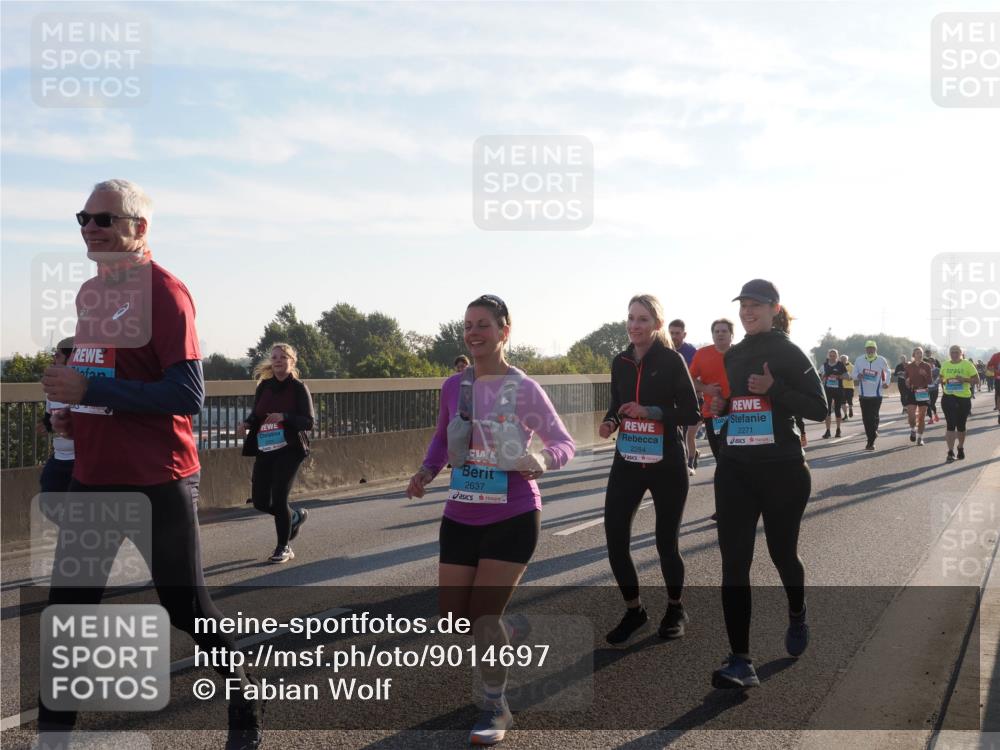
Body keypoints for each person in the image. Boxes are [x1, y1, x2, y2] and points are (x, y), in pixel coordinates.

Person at [39, 179, 265, 749]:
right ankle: (52, 740)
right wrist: (71, 413)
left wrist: (92, 386)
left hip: (157, 484)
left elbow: (186, 395)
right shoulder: (91, 294)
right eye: (84, 218)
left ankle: (243, 703)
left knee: (186, 608)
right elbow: (105, 383)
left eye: (104, 219)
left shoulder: (166, 294)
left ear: (138, 229)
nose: (91, 228)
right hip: (91, 481)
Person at [405, 294, 575, 745]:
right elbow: (442, 439)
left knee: (482, 617)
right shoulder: (453, 387)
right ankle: (506, 628)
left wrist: (540, 458)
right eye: (468, 325)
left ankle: (495, 703)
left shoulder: (523, 389)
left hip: (513, 513)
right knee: (453, 618)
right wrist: (426, 470)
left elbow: (564, 443)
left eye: (483, 324)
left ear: (504, 331)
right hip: (460, 512)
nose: (474, 332)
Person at [708, 280, 827, 689]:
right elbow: (741, 403)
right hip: (736, 468)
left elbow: (819, 408)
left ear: (775, 309)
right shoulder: (736, 354)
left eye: (755, 306)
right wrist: (722, 408)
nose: (746, 312)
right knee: (734, 563)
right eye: (743, 305)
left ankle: (797, 611)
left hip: (783, 469)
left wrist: (776, 389)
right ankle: (740, 660)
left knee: (782, 554)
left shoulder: (789, 352)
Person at [599, 296, 700, 645]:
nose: (634, 325)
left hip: (666, 461)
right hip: (628, 459)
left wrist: (652, 412)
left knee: (665, 543)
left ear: (657, 324)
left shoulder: (671, 361)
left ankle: (675, 608)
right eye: (630, 318)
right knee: (614, 537)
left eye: (642, 319)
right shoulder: (621, 361)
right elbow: (617, 402)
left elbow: (692, 412)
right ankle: (634, 610)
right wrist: (611, 421)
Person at [239, 343, 315, 564]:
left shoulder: (299, 388)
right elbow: (256, 414)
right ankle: (294, 517)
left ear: (292, 361)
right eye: (274, 357)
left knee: (280, 497)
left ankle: (284, 547)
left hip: (290, 450)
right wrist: (246, 423)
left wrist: (284, 416)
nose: (278, 360)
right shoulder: (264, 386)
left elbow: (308, 422)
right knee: (260, 501)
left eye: (283, 357)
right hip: (266, 447)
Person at [37, 338, 76, 495]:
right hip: (59, 458)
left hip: (80, 461)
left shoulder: (86, 390)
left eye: (57, 355)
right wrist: (45, 425)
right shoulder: (51, 391)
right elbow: (49, 417)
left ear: (72, 358)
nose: (53, 359)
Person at [668, 319, 699, 474]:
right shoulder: (664, 350)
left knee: (689, 433)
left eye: (677, 333)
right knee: (678, 433)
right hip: (672, 400)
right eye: (671, 333)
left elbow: (698, 378)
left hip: (693, 398)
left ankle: (690, 462)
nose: (674, 336)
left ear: (684, 334)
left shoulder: (692, 352)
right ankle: (686, 459)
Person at [940, 345, 980, 463]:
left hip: (963, 398)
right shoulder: (945, 364)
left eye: (957, 352)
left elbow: (976, 380)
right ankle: (950, 451)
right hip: (948, 397)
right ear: (949, 353)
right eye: (952, 352)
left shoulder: (967, 364)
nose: (954, 354)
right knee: (950, 425)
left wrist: (964, 380)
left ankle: (960, 447)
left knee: (961, 426)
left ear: (961, 353)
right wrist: (945, 381)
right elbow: (941, 378)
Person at [852, 341, 892, 451]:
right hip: (863, 394)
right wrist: (857, 375)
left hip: (877, 393)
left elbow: (888, 371)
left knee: (874, 416)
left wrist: (886, 383)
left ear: (876, 349)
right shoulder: (859, 360)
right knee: (866, 418)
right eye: (868, 348)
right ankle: (871, 437)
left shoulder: (881, 360)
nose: (870, 350)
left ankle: (871, 440)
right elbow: (853, 374)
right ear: (865, 349)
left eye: (872, 348)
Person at [903, 347, 933, 446]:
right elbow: (906, 378)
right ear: (913, 355)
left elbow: (930, 381)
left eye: (920, 353)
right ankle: (912, 429)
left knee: (921, 417)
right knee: (911, 416)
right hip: (912, 391)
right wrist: (907, 381)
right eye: (917, 353)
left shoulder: (927, 366)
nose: (919, 355)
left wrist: (925, 375)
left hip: (923, 391)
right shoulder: (909, 366)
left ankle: (920, 438)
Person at [819, 349, 845, 439]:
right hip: (828, 390)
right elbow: (820, 376)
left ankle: (838, 429)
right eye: (831, 355)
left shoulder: (840, 365)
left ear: (837, 356)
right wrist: (823, 377)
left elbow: (847, 376)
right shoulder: (824, 365)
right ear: (828, 356)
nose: (832, 357)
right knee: (828, 410)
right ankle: (828, 431)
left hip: (838, 390)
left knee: (837, 410)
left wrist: (837, 376)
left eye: (834, 356)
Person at [839, 354, 854, 420]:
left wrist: (842, 377)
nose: (842, 361)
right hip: (841, 387)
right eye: (841, 359)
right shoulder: (838, 367)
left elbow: (851, 377)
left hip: (850, 386)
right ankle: (845, 415)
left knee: (849, 400)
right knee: (842, 402)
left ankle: (850, 409)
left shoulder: (851, 367)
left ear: (847, 360)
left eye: (844, 359)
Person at [987, 350, 1000, 423]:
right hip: (999, 379)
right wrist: (996, 371)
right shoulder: (996, 356)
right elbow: (989, 367)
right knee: (998, 396)